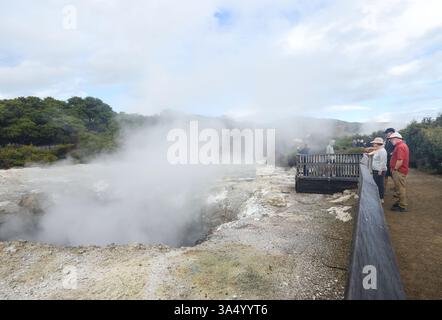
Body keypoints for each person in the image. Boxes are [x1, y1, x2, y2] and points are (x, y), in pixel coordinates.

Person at [388, 132, 410, 212]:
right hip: (400, 170)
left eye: (391, 139)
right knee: (400, 187)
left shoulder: (400, 147)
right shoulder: (402, 145)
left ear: (396, 139)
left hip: (399, 171)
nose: (390, 141)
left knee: (400, 188)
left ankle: (402, 206)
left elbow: (400, 160)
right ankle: (400, 202)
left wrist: (395, 169)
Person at [368, 137, 387, 203]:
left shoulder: (382, 151)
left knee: (380, 184)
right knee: (376, 184)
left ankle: (381, 198)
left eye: (374, 143)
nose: (373, 144)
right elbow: (372, 153)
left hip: (379, 171)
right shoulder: (378, 149)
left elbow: (383, 162)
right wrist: (367, 154)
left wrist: (380, 170)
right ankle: (377, 197)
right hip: (376, 170)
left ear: (378, 144)